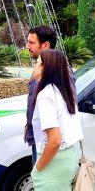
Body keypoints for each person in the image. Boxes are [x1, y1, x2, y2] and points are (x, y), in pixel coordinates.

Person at [31, 49, 83, 191]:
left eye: (37, 62)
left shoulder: (45, 95)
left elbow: (54, 140)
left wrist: (39, 167)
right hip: (69, 158)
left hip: (55, 161)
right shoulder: (64, 91)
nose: (34, 66)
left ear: (46, 67)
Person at [25, 25, 58, 165]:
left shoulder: (59, 71)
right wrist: (29, 126)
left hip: (49, 145)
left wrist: (39, 167)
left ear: (45, 45)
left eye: (31, 42)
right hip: (38, 141)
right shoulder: (41, 66)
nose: (27, 46)